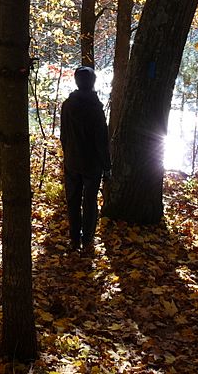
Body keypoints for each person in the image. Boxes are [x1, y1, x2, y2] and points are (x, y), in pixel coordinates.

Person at [60, 66, 111, 255]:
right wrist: (107, 166)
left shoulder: (67, 105)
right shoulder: (96, 107)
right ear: (92, 83)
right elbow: (101, 140)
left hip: (72, 161)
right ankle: (87, 239)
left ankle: (74, 239)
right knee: (89, 202)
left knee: (72, 201)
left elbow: (63, 135)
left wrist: (68, 154)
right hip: (92, 164)